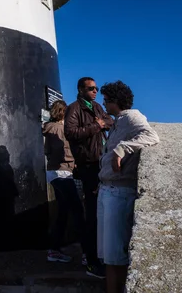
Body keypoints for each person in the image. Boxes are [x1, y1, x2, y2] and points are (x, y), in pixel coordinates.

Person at [98, 81, 159, 293]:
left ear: (116, 101)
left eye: (106, 100)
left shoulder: (133, 117)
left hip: (119, 193)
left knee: (116, 255)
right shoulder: (118, 121)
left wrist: (122, 149)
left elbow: (151, 136)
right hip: (108, 189)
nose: (104, 104)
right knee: (109, 255)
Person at [64, 77, 114, 278]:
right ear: (80, 89)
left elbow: (110, 121)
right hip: (88, 165)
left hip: (101, 163)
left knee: (100, 212)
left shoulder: (97, 106)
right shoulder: (74, 108)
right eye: (91, 88)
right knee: (92, 213)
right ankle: (91, 261)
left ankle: (96, 255)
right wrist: (97, 125)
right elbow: (70, 132)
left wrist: (102, 123)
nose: (95, 91)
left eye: (96, 88)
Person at [43, 100, 87, 263]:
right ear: (64, 112)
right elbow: (68, 152)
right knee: (77, 212)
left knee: (63, 211)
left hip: (52, 172)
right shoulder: (63, 130)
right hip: (64, 172)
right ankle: (87, 253)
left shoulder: (48, 129)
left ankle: (54, 250)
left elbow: (48, 151)